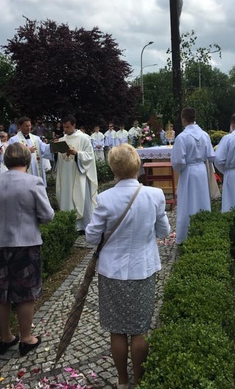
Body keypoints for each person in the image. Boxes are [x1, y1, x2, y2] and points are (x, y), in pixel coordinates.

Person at [85, 144, 170, 388]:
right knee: (140, 330)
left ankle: (122, 381)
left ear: (113, 168)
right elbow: (164, 230)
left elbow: (91, 237)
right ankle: (138, 379)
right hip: (143, 269)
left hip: (113, 271)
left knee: (118, 330)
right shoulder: (154, 195)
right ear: (138, 166)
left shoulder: (104, 199)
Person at [0, 143, 54, 356]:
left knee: (1, 292)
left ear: (6, 160)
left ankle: (5, 338)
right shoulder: (33, 182)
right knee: (25, 293)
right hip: (25, 243)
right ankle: (26, 338)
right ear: (27, 160)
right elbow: (48, 215)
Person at [171, 107, 215, 244]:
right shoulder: (204, 135)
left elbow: (178, 161)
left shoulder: (182, 137)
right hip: (201, 169)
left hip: (188, 171)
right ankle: (204, 232)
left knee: (187, 202)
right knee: (202, 200)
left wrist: (181, 168)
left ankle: (185, 236)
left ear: (183, 119)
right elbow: (211, 155)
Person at [55, 115, 98, 234]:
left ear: (74, 125)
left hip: (79, 175)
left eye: (67, 127)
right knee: (67, 197)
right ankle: (69, 225)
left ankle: (82, 226)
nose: (65, 130)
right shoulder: (62, 139)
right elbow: (60, 158)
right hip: (65, 175)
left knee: (80, 197)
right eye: (64, 127)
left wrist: (77, 154)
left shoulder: (84, 138)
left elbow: (90, 156)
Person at [8, 117, 52, 187]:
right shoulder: (13, 140)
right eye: (26, 126)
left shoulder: (36, 138)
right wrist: (26, 151)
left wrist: (53, 146)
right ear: (20, 126)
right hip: (23, 169)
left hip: (36, 168)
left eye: (30, 125)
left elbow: (44, 148)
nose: (29, 128)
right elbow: (10, 155)